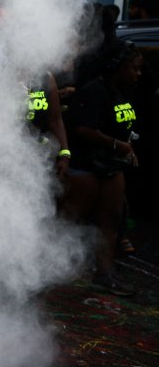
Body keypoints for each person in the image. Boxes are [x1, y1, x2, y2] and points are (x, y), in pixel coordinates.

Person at [63, 41, 142, 297]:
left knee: (111, 220)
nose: (137, 73)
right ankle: (46, 270)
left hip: (111, 167)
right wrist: (116, 144)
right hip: (86, 166)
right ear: (115, 67)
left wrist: (126, 147)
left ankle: (104, 274)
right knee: (70, 220)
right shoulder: (94, 91)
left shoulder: (122, 91)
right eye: (133, 68)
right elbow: (82, 128)